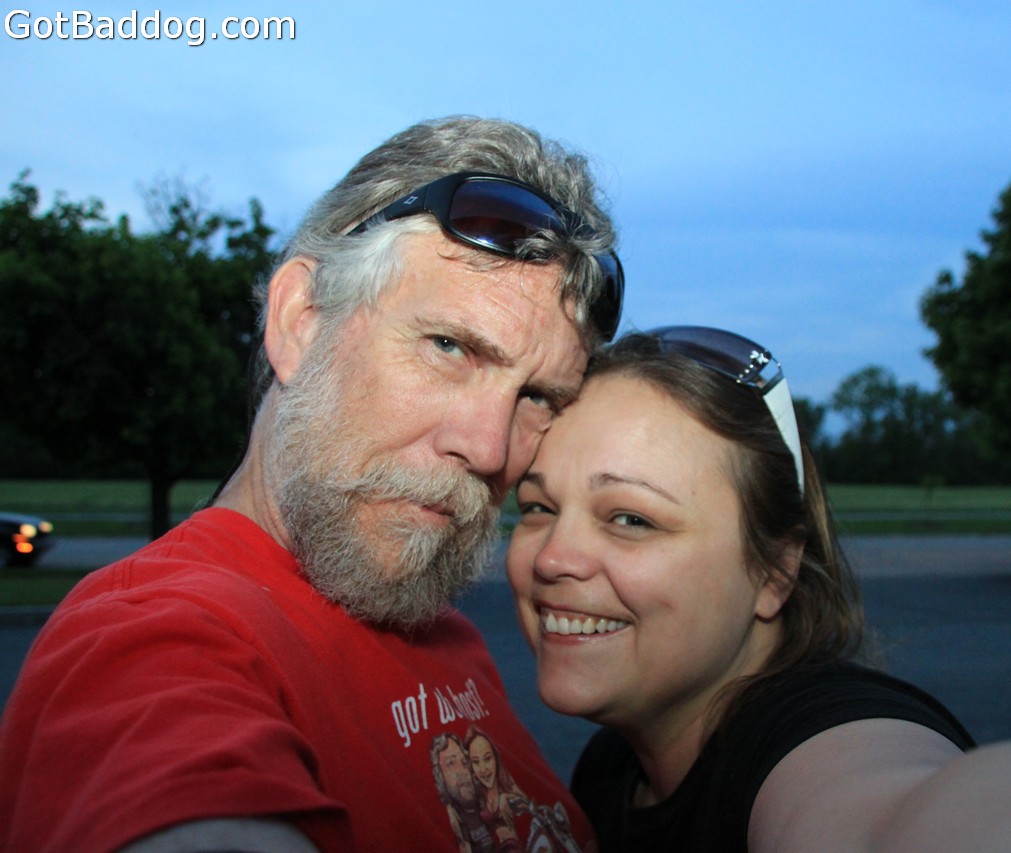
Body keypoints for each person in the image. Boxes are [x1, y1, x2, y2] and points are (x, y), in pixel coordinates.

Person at [0, 116, 624, 853]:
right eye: (449, 346)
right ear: (299, 320)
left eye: (537, 396)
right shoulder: (152, 637)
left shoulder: (441, 631)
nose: (490, 449)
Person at [505, 325, 1011, 852]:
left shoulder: (806, 735)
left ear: (775, 570)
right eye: (537, 507)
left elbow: (893, 813)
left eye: (631, 518)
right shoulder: (612, 769)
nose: (554, 557)